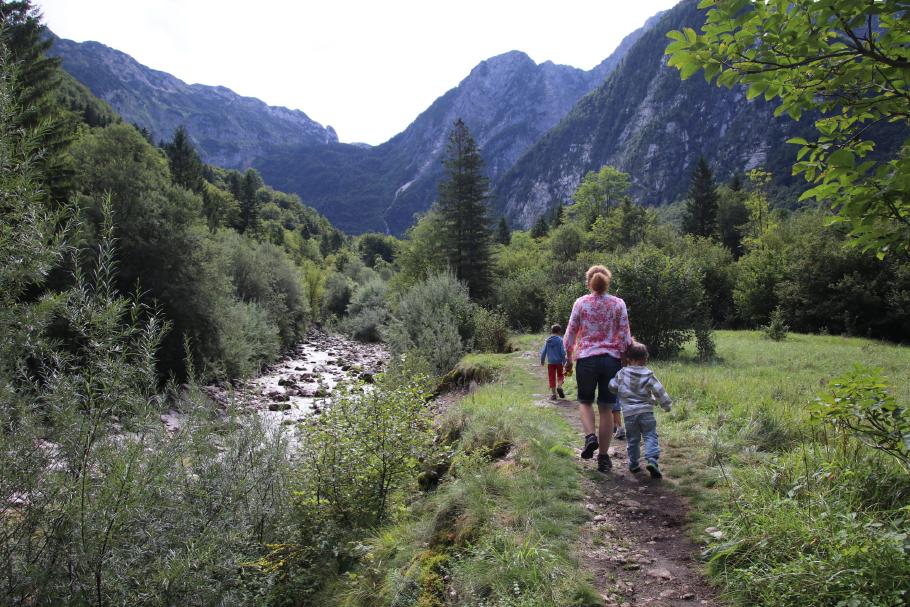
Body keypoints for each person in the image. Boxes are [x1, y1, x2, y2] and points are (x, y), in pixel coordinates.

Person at [564, 265, 632, 472]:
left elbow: (570, 334)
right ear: (607, 281)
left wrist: (568, 358)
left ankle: (589, 437)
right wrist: (624, 358)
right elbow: (625, 337)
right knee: (606, 408)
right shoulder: (618, 304)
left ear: (589, 282)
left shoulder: (581, 303)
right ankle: (603, 458)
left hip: (586, 359)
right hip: (611, 361)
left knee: (585, 402)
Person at [608, 341, 672, 479]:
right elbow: (659, 391)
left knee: (633, 439)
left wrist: (617, 390)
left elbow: (612, 386)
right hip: (646, 412)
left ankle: (634, 464)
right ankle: (652, 460)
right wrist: (666, 405)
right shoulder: (648, 374)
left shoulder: (622, 373)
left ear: (628, 359)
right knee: (650, 436)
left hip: (629, 414)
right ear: (645, 358)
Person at [540, 324, 567, 400]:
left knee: (551, 377)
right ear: (559, 331)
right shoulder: (560, 340)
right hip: (559, 362)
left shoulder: (548, 341)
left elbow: (543, 352)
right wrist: (565, 361)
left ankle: (554, 394)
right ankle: (559, 386)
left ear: (552, 331)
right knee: (561, 375)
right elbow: (562, 352)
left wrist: (542, 360)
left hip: (550, 363)